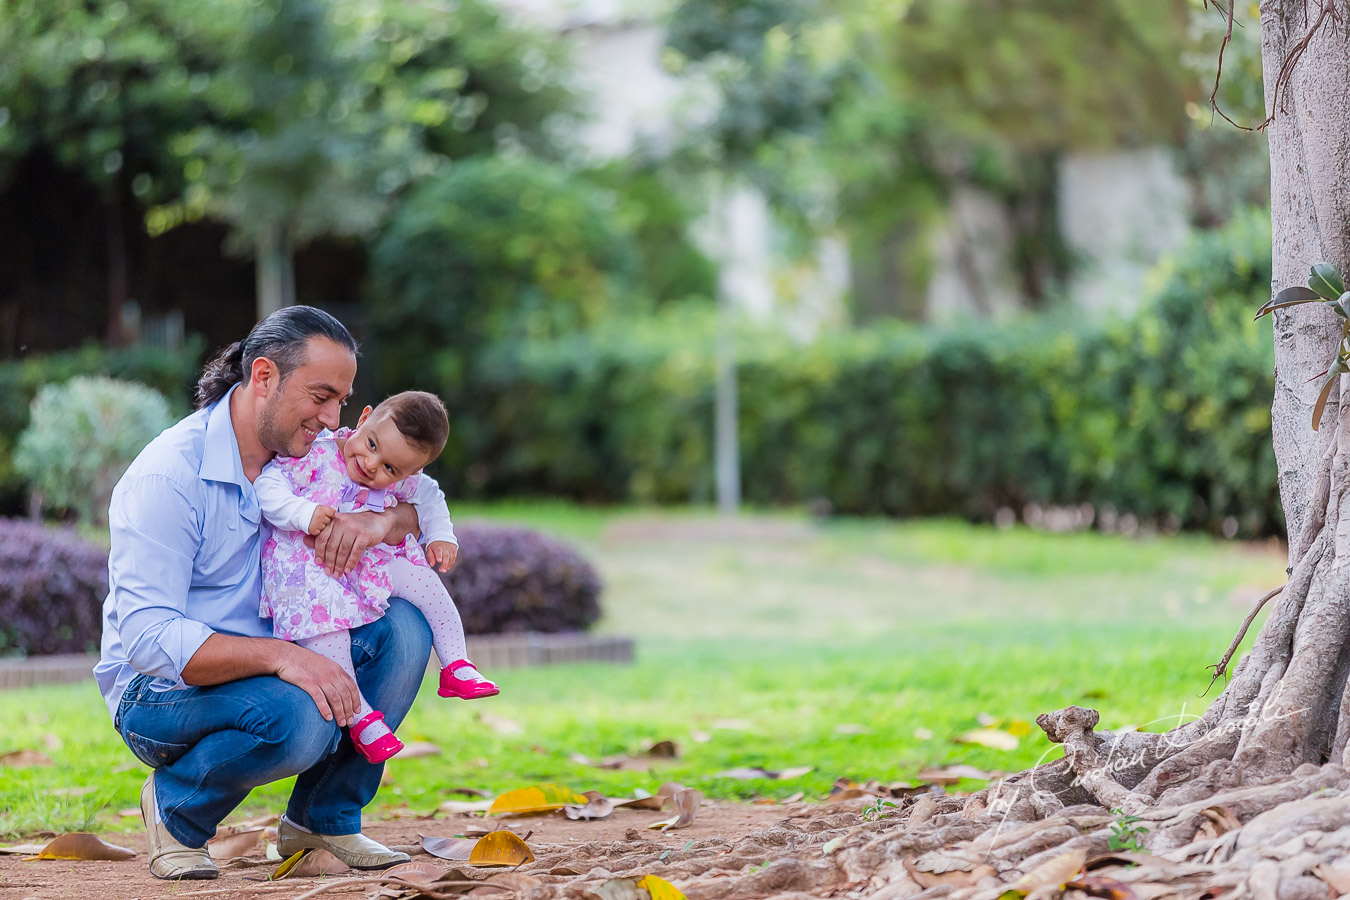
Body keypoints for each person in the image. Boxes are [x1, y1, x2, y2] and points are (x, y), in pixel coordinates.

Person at [95, 306, 432, 881]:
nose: (333, 420)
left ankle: (322, 818)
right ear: (264, 377)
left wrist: (378, 525)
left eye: (342, 402)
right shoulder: (168, 477)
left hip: (270, 665)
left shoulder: (314, 461)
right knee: (302, 717)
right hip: (160, 693)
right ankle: (176, 809)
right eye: (321, 396)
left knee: (405, 627)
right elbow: (150, 641)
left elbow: (418, 501)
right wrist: (287, 657)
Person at [255, 390, 498, 764]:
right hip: (306, 573)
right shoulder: (316, 454)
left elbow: (431, 497)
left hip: (367, 565)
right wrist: (301, 512)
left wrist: (441, 536)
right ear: (365, 417)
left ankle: (456, 663)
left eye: (390, 469)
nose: (371, 465)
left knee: (423, 580)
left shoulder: (403, 478)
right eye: (370, 444)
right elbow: (269, 487)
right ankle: (360, 716)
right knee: (326, 629)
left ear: (409, 472)